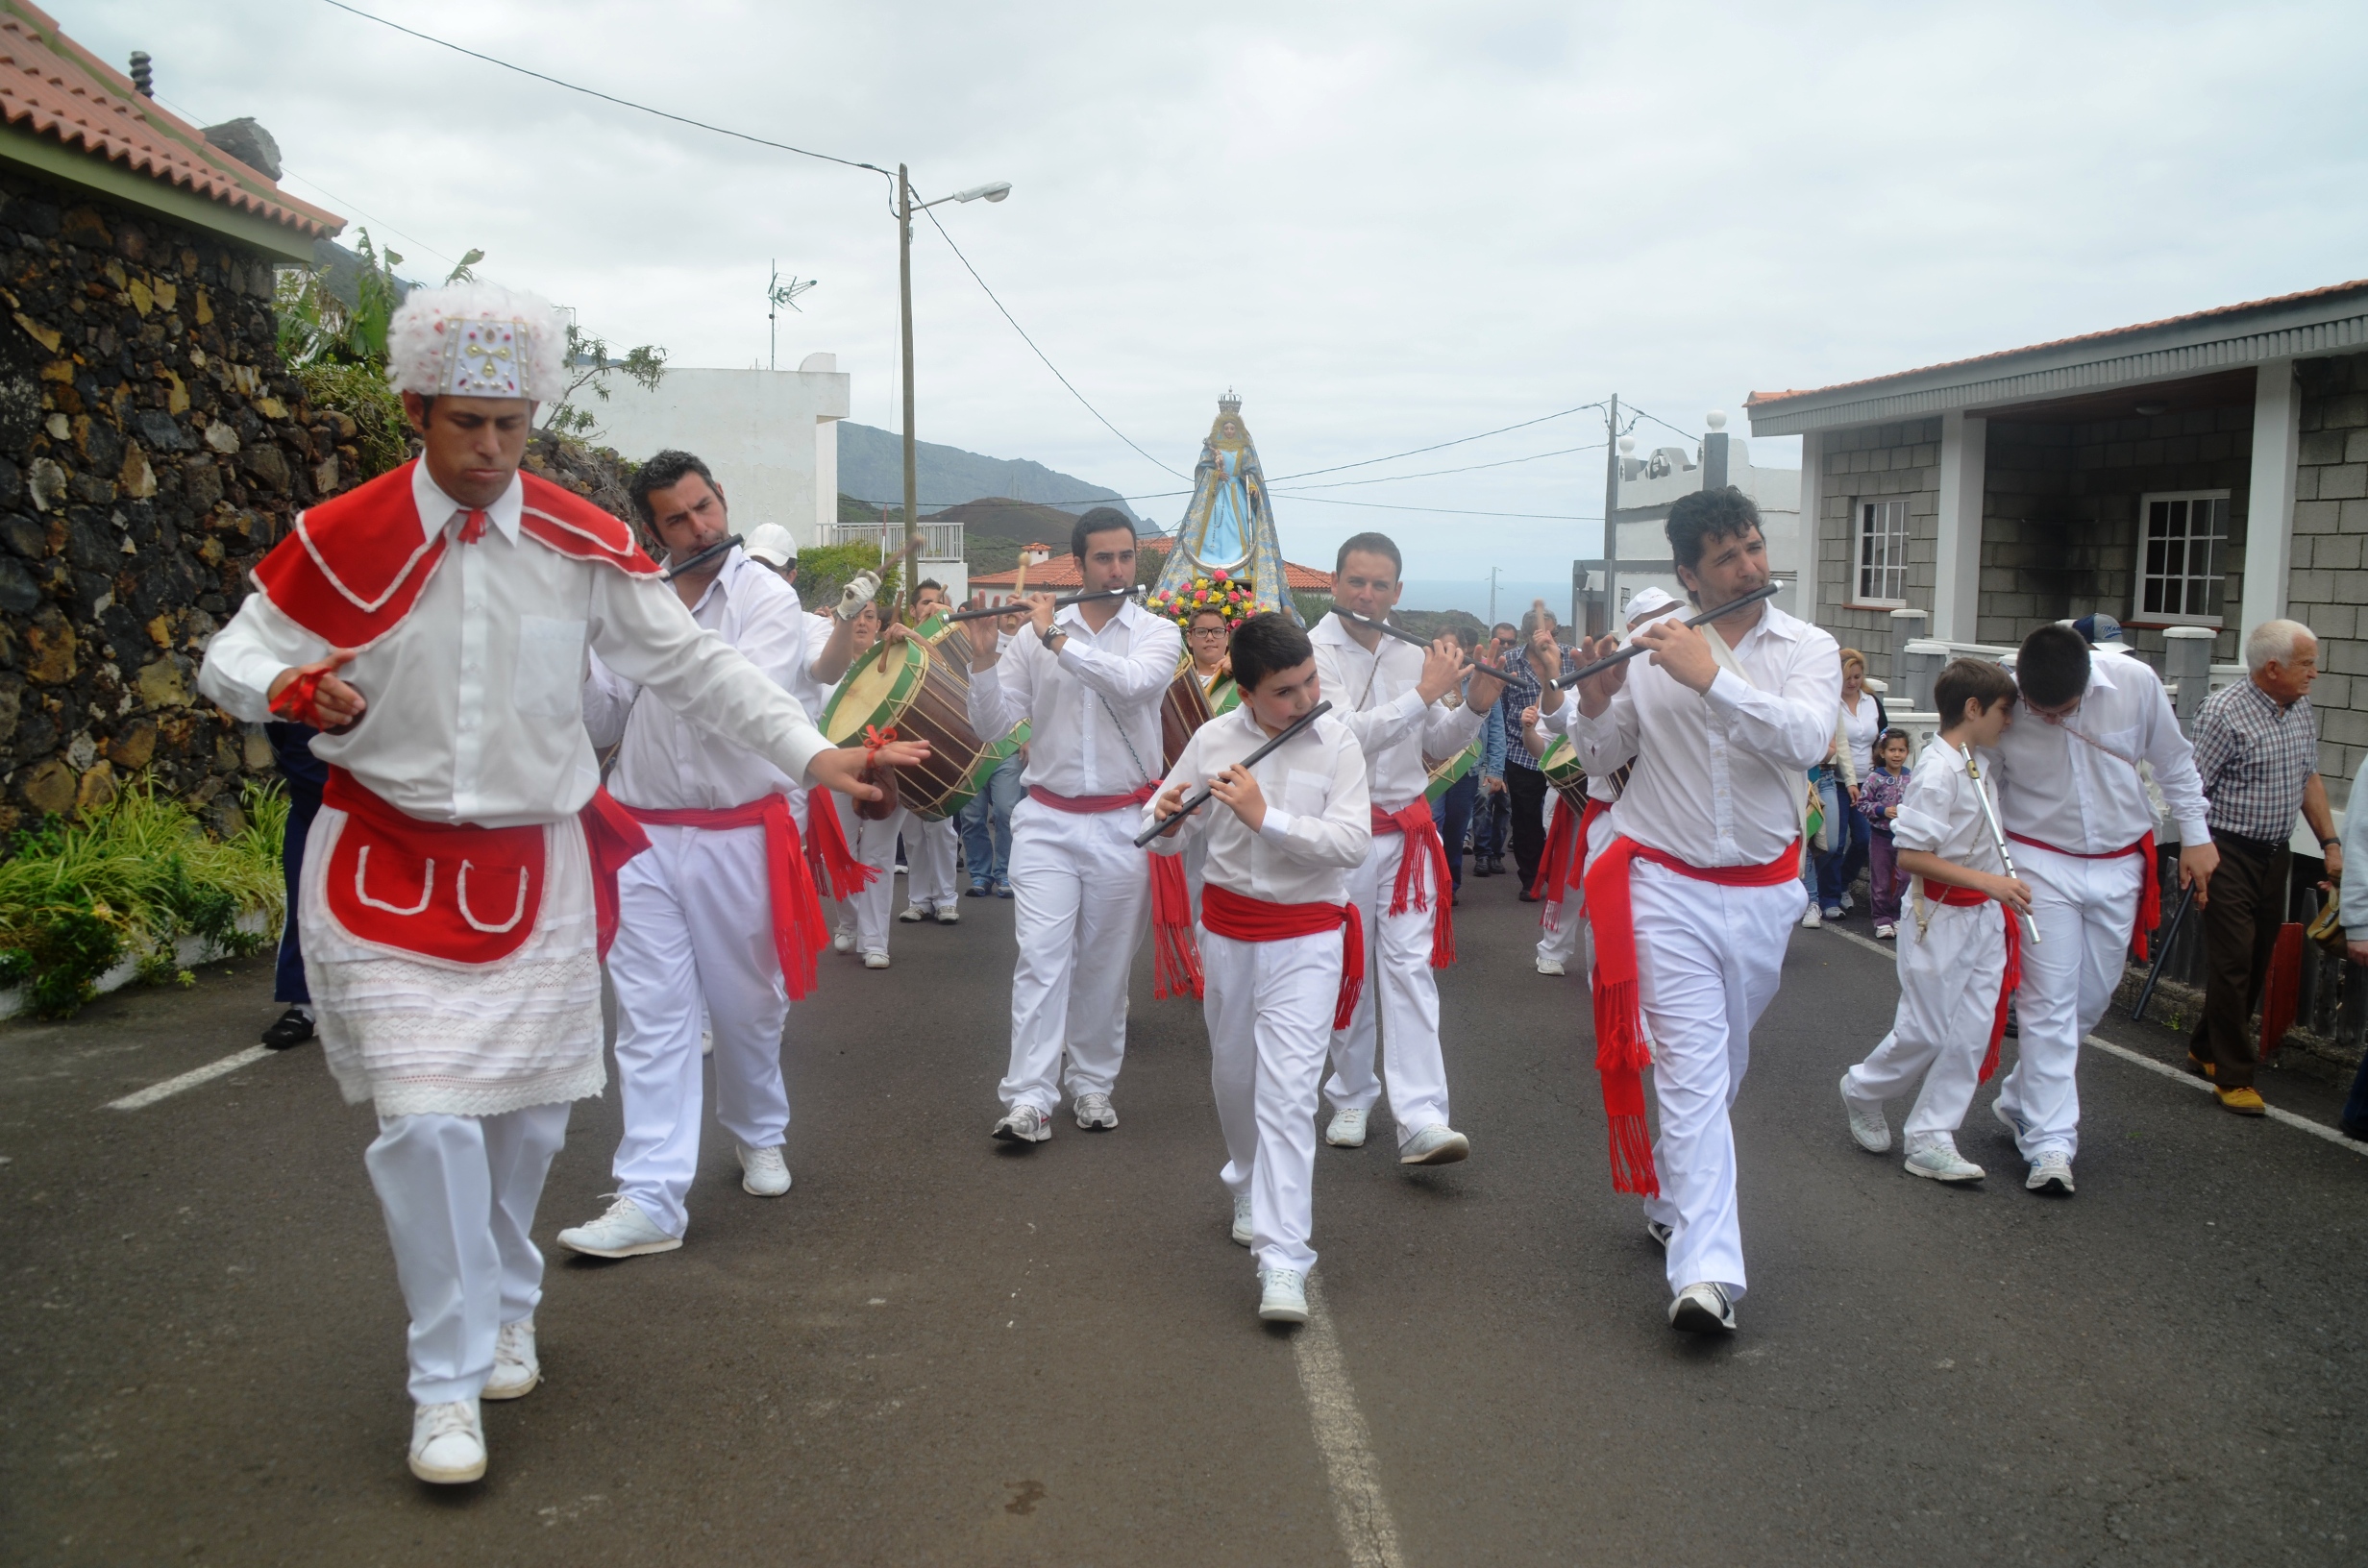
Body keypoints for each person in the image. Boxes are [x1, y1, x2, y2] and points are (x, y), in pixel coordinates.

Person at [193, 282, 923, 1485]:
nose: (489, 451)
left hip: (537, 866)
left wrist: (815, 753)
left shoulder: (583, 542)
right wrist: (290, 686)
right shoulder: (342, 535)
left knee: (529, 1125)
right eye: (466, 423)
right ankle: (443, 1381)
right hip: (382, 859)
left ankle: (510, 1299)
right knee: (427, 1123)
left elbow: (694, 669)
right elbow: (237, 651)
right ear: (418, 411)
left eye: (511, 426)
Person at [1545, 485, 1839, 1335]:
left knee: (1725, 1065)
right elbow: (1600, 763)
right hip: (1660, 887)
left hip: (1765, 892)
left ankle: (1673, 1191)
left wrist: (1710, 679)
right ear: (1689, 575)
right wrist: (1596, 698)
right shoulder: (1650, 646)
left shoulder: (1807, 646)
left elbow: (1806, 739)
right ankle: (1707, 1277)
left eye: (1752, 546)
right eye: (1726, 557)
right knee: (1690, 1072)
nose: (1750, 565)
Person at [558, 450, 831, 1262]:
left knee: (748, 1006)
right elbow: (604, 721)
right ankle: (650, 1196)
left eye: (705, 507)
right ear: (653, 530)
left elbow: (735, 699)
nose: (700, 527)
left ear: (722, 498)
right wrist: (576, 646)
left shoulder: (766, 596)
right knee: (652, 1019)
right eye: (676, 519)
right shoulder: (631, 597)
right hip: (640, 830)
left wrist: (651, 637)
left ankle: (759, 1131)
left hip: (738, 829)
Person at [1145, 612, 1370, 1323]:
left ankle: (1283, 1261)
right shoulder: (1213, 740)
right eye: (1284, 691)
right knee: (1235, 1076)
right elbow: (1163, 837)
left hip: (1308, 936)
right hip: (1231, 934)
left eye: (1309, 682)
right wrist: (1174, 818)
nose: (1304, 701)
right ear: (1244, 692)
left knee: (1289, 1094)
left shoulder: (1338, 742)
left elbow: (1350, 844)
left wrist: (1264, 816)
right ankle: (1244, 1180)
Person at [966, 508, 1183, 1141]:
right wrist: (984, 662)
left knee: (1105, 967)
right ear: (1080, 564)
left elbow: (1137, 686)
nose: (1117, 571)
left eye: (1125, 558)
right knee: (1040, 959)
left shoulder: (1156, 632)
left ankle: (1091, 1083)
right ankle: (1029, 1097)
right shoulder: (1034, 635)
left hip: (1124, 821)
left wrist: (1057, 642)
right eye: (1104, 560)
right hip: (1048, 821)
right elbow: (994, 727)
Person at [1987, 623, 2215, 1195]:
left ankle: (2021, 1098)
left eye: (2063, 708)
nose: (2052, 717)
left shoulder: (2135, 683)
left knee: (2089, 1000)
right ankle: (2050, 1143)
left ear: (2088, 681)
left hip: (2119, 862)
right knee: (2047, 1004)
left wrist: (2196, 834)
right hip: (2039, 861)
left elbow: (2175, 762)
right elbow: (1981, 781)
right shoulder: (2004, 699)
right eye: (2041, 709)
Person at [1310, 533, 1504, 1163]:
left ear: (1398, 591)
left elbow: (1433, 740)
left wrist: (1473, 706)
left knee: (1410, 970)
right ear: (1334, 583)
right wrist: (1423, 692)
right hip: (1344, 834)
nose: (1367, 596)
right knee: (1350, 968)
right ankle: (1350, 1093)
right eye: (1356, 582)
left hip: (1410, 832)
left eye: (1380, 585)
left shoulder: (1416, 650)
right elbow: (1341, 736)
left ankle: (1422, 1116)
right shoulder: (1314, 652)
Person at [1840, 660, 2029, 1181]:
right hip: (1936, 917)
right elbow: (1910, 857)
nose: (2009, 721)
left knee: (1971, 1033)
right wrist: (1991, 883)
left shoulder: (1981, 760)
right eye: (2002, 711)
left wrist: (1995, 891)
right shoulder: (1937, 770)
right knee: (1923, 1031)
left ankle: (1931, 1135)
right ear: (1973, 709)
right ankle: (1862, 1088)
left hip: (1984, 921)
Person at [2187, 619, 2342, 1114]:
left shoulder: (2300, 709)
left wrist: (2330, 843)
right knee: (2233, 960)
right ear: (2272, 667)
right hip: (2225, 850)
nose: (2314, 674)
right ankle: (2234, 1075)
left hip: (2274, 853)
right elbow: (2193, 791)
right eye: (2307, 663)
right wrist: (2195, 858)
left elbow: (2309, 778)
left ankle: (2206, 1046)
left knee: (2256, 959)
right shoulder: (2223, 712)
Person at [1530, 587, 1678, 977]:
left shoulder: (1685, 669)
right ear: (1632, 627)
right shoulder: (1611, 664)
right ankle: (1561, 952)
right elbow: (1562, 722)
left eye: (1672, 612)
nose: (1666, 622)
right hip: (1604, 806)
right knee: (1579, 886)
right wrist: (1551, 675)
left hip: (1661, 818)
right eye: (1655, 616)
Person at [894, 581, 965, 927]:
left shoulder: (948, 638)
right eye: (924, 603)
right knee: (912, 831)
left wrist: (923, 633)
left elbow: (947, 670)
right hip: (905, 743)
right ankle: (918, 899)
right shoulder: (896, 640)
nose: (930, 608)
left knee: (941, 829)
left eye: (937, 603)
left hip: (940, 744)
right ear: (912, 609)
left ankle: (947, 899)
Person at [260, 720, 326, 1047]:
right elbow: (276, 736)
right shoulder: (290, 677)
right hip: (311, 807)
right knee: (304, 901)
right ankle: (303, 1006)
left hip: (379, 807)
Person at [1813, 649, 1884, 919]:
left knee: (1864, 839)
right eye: (1847, 677)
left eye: (1857, 676)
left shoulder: (1871, 702)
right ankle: (1829, 896)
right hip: (1838, 781)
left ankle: (1842, 884)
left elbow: (1882, 737)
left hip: (1868, 782)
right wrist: (1850, 779)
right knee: (1836, 841)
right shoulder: (1831, 705)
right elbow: (1840, 745)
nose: (1852, 682)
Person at [1492, 606, 1559, 894]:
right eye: (1542, 633)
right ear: (1525, 635)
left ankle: (1557, 876)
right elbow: (1501, 708)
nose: (1548, 638)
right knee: (1525, 820)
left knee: (1558, 817)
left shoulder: (1568, 657)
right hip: (1521, 755)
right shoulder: (1509, 663)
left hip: (1561, 753)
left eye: (1553, 633)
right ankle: (1530, 879)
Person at [1429, 628, 1489, 898]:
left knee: (1456, 826)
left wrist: (1496, 769)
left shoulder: (1477, 680)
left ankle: (1450, 884)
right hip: (1433, 769)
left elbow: (1494, 727)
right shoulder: (1426, 679)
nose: (1449, 655)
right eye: (1444, 648)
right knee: (1434, 821)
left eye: (1455, 649)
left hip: (1466, 768)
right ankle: (1431, 882)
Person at [1857, 727, 1914, 938]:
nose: (1897, 755)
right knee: (1880, 880)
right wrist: (1881, 810)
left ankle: (1898, 916)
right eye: (1892, 750)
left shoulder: (1911, 778)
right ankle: (1881, 919)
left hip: (1905, 838)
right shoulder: (1875, 778)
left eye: (1901, 750)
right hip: (1881, 836)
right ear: (1882, 752)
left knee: (1905, 877)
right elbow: (1862, 804)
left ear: (1907, 752)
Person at [1470, 622, 1518, 876]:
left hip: (1519, 749)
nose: (1507, 647)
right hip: (1491, 750)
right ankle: (1484, 853)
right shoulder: (1483, 671)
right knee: (1483, 800)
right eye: (1502, 641)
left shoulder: (1523, 668)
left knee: (1505, 805)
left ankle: (1497, 853)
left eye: (1512, 642)